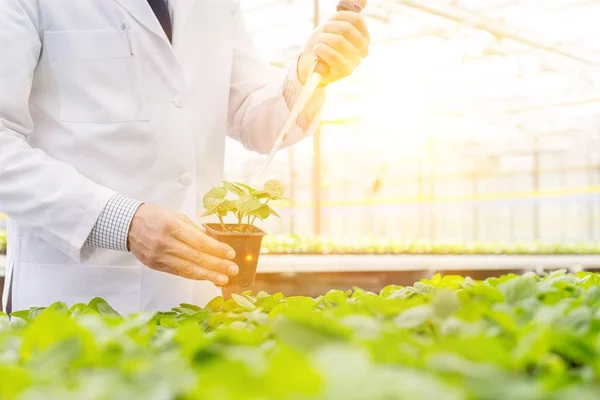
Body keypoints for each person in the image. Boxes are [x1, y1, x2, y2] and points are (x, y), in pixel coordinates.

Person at [0, 0, 370, 313]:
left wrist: (306, 76)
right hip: (73, 299)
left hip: (194, 298)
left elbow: (253, 116)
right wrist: (122, 222)